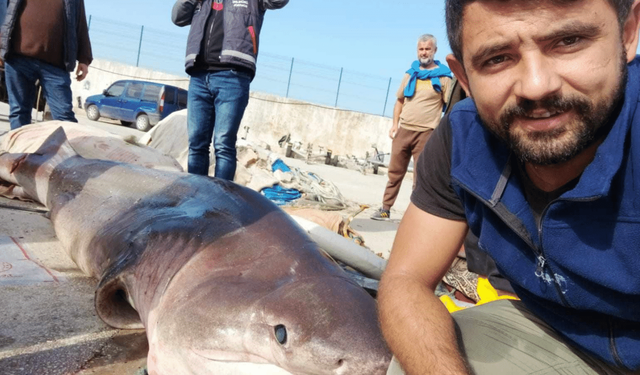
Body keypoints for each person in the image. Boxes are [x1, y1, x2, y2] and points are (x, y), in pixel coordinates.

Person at [378, 0, 640, 374]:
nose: (536, 86)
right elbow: (406, 279)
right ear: (464, 78)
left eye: (568, 40)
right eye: (497, 58)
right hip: (555, 332)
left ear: (627, 33)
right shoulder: (461, 142)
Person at [172, 0, 288, 180]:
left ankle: (220, 203)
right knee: (196, 144)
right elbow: (178, 17)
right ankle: (196, 197)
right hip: (199, 75)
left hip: (233, 76)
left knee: (223, 144)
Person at [371, 34, 452, 221]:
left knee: (421, 177)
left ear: (435, 51)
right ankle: (385, 208)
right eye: (421, 49)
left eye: (428, 49)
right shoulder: (411, 74)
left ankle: (414, 216)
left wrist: (442, 134)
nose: (424, 52)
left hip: (427, 133)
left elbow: (449, 107)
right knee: (394, 172)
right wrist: (394, 125)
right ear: (417, 51)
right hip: (404, 130)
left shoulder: (444, 77)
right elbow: (399, 101)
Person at [0, 0, 92, 130]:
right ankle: (22, 150)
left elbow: (80, 21)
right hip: (18, 59)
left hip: (56, 65)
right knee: (19, 111)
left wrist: (84, 58)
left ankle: (68, 150)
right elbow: (4, 10)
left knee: (64, 116)